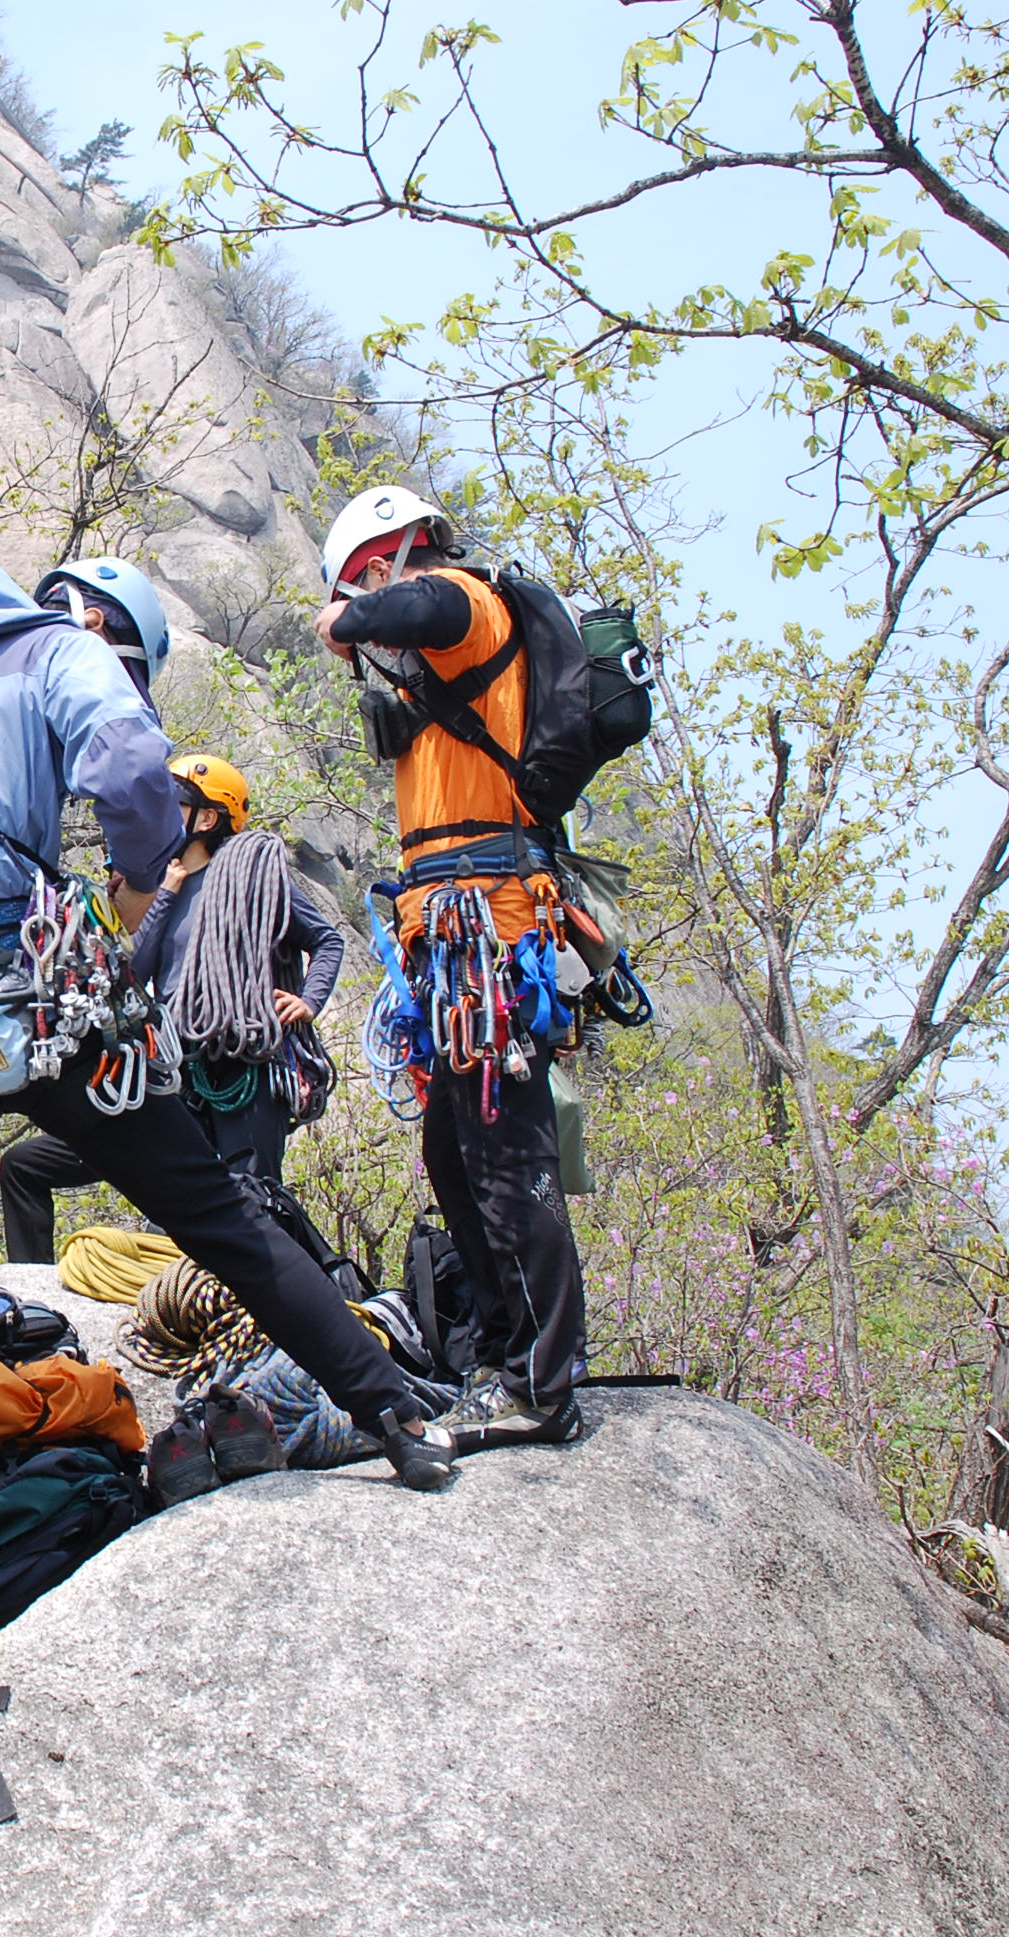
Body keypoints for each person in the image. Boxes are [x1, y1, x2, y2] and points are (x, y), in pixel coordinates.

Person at [0, 551, 456, 1654]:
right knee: (218, 1215)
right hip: (39, 995)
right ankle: (396, 1415)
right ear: (99, 623)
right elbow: (130, 760)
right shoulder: (57, 650)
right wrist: (142, 860)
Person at [317, 486, 587, 1450]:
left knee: (505, 1156)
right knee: (453, 1150)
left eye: (363, 582)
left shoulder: (467, 601)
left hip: (491, 922)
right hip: (449, 930)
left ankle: (543, 1382)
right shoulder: (441, 667)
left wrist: (348, 615)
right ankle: (504, 1353)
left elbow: (426, 607)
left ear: (390, 559)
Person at [0, 751, 344, 1262]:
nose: (160, 812)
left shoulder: (249, 876)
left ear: (207, 818)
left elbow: (328, 940)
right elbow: (141, 968)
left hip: (242, 1061)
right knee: (34, 1167)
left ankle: (271, 1315)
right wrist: (165, 892)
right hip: (176, 1061)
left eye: (173, 803)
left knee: (256, 1196)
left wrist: (309, 1000)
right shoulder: (166, 884)